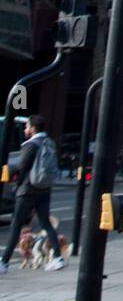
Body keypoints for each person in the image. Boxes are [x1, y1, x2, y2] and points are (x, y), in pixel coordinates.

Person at [0, 115, 65, 274]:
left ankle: (4, 262)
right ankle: (57, 258)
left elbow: (23, 167)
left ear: (33, 128)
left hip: (28, 191)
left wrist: (16, 187)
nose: (25, 129)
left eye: (27, 126)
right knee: (46, 224)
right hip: (44, 189)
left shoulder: (31, 145)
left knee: (16, 225)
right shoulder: (49, 142)